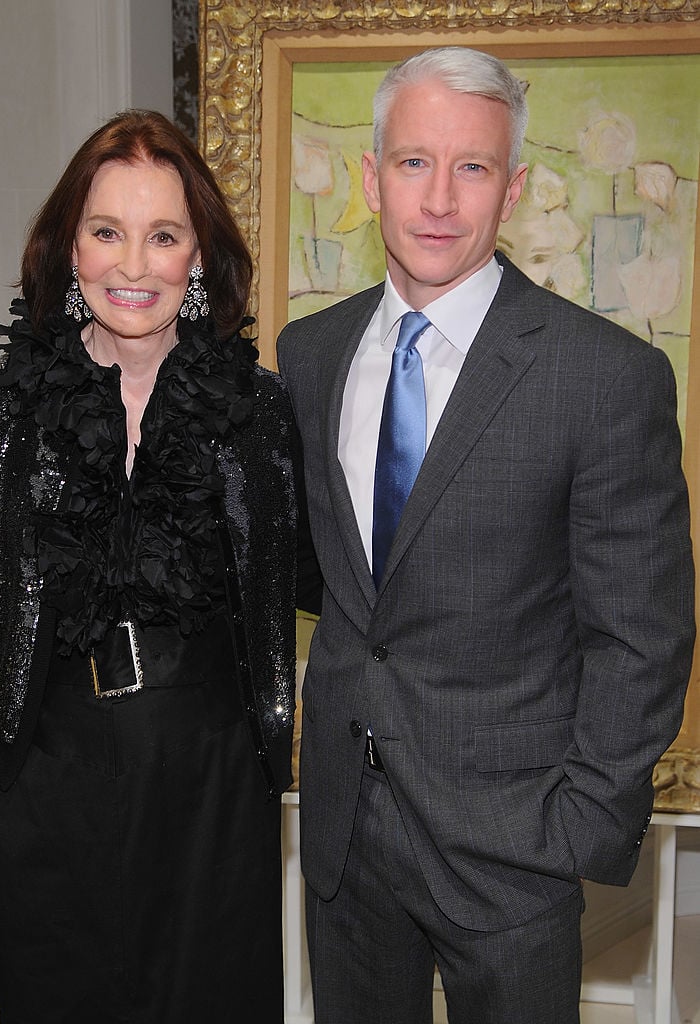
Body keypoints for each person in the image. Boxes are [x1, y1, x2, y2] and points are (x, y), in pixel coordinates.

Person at [277, 46, 695, 1024]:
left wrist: (577, 824)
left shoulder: (604, 378)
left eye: (471, 168)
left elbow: (641, 635)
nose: (437, 198)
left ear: (510, 194)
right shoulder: (310, 354)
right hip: (343, 831)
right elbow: (327, 577)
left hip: (513, 846)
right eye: (414, 162)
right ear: (370, 178)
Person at [0, 109, 313, 1024]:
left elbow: (319, 579)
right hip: (46, 778)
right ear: (69, 246)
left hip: (211, 784)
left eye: (163, 235)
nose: (133, 266)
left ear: (198, 258)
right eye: (107, 232)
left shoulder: (257, 412)